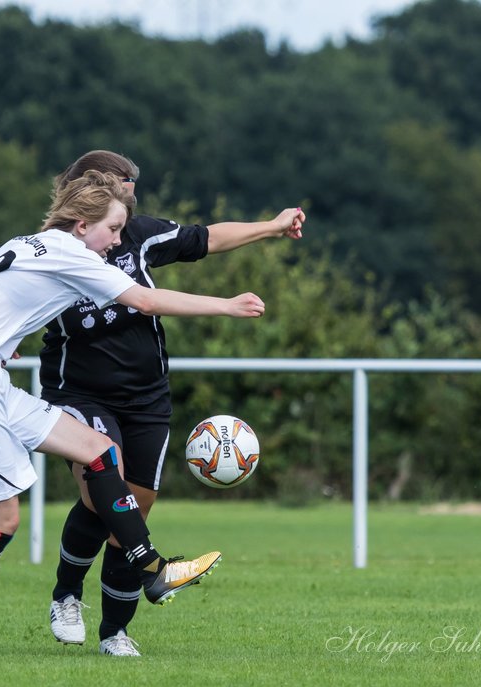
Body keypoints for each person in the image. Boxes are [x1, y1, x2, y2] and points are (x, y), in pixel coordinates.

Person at [0, 170, 264, 657]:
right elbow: (146, 299)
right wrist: (227, 306)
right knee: (2, 521)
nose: (117, 241)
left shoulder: (30, 244)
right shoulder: (70, 252)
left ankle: (151, 568)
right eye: (112, 230)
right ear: (82, 225)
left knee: (98, 451)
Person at [39, 150, 304, 655]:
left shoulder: (135, 234)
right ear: (89, 188)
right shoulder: (49, 250)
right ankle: (67, 595)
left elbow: (206, 238)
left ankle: (114, 632)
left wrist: (271, 227)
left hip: (147, 397)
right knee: (103, 485)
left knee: (130, 510)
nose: (133, 192)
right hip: (81, 393)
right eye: (125, 183)